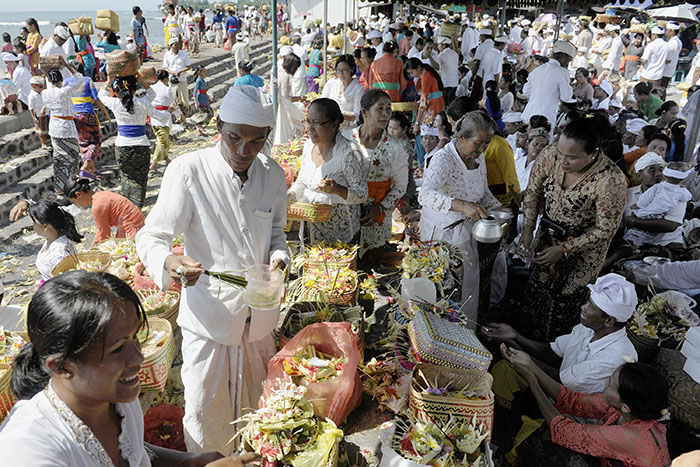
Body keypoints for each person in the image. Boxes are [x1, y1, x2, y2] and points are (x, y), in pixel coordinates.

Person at [136, 85, 289, 456]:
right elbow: (152, 235)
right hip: (209, 321)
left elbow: (276, 232)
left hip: (259, 321)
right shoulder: (188, 170)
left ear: (267, 137)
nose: (243, 151)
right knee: (206, 415)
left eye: (255, 142)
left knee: (260, 414)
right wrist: (171, 262)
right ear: (218, 125)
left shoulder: (272, 174)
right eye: (234, 137)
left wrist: (280, 260)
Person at [0, 270, 258, 466]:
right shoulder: (28, 451)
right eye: (118, 349)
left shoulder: (117, 401)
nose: (138, 357)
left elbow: (134, 451)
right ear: (62, 367)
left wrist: (191, 461)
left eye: (135, 337)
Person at [518, 115, 627, 341]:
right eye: (560, 153)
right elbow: (532, 191)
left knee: (565, 303)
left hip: (583, 254)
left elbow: (605, 230)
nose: (562, 161)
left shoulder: (610, 180)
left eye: (572, 157)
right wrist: (528, 229)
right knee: (536, 289)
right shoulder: (550, 155)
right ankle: (524, 339)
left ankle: (553, 351)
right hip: (548, 236)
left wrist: (564, 250)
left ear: (594, 153)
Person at [500, 351, 670, 466]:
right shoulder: (625, 409)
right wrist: (532, 366)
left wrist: (531, 379)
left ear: (625, 406)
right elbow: (573, 400)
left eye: (610, 385)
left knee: (550, 444)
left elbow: (564, 430)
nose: (605, 385)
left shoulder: (632, 437)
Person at [487, 272, 638, 401]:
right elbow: (551, 352)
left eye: (591, 306)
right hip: (559, 391)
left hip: (578, 416)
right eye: (588, 302)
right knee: (503, 370)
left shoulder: (615, 358)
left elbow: (560, 384)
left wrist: (524, 359)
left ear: (609, 320)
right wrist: (515, 336)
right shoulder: (589, 329)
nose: (583, 307)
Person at [419, 110, 504, 321]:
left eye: (486, 144)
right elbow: (426, 195)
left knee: (467, 288)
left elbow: (482, 192)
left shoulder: (479, 157)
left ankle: (464, 340)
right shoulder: (444, 159)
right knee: (443, 293)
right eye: (477, 143)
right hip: (442, 236)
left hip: (467, 233)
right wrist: (461, 206)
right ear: (461, 138)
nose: (482, 149)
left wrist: (498, 209)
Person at [288, 98, 367, 243]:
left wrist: (338, 190)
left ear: (334, 124)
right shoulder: (307, 147)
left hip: (340, 234)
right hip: (309, 230)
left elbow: (362, 194)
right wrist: (290, 196)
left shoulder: (349, 152)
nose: (310, 128)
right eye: (308, 121)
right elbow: (302, 182)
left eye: (316, 123)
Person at [350, 89, 408, 261]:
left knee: (371, 264)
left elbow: (400, 185)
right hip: (349, 212)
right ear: (365, 112)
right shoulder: (347, 139)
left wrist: (380, 208)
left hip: (377, 216)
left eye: (388, 109)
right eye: (380, 109)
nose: (385, 114)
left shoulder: (394, 147)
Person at [98, 74, 170, 207]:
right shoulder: (142, 102)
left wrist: (109, 80)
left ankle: (128, 206)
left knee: (126, 177)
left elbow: (101, 96)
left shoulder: (115, 103)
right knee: (140, 178)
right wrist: (141, 79)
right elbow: (159, 111)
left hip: (122, 146)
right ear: (135, 87)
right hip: (141, 146)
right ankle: (137, 206)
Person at [622, 154, 687, 248]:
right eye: (652, 170)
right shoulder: (629, 194)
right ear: (639, 176)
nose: (658, 174)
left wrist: (634, 221)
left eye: (661, 170)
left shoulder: (676, 193)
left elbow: (671, 225)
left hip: (667, 244)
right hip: (634, 244)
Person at [41, 64, 86, 194]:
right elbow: (79, 78)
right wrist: (66, 65)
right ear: (62, 79)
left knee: (59, 158)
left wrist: (46, 72)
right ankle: (73, 185)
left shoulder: (45, 93)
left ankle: (60, 187)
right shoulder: (65, 91)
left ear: (49, 81)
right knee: (72, 158)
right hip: (66, 126)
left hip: (54, 125)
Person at [65, 62, 110, 180]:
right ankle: (85, 166)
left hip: (74, 114)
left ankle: (92, 169)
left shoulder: (67, 82)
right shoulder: (87, 80)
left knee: (83, 141)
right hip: (87, 113)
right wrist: (105, 112)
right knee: (95, 140)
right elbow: (96, 99)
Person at [22, 200, 82, 282]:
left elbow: (65, 283)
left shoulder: (60, 254)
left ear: (45, 226)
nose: (33, 226)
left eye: (34, 222)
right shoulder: (52, 240)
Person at [521, 40, 575, 126]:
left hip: (528, 114)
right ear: (564, 57)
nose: (568, 62)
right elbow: (566, 97)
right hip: (544, 118)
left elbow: (526, 91)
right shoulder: (563, 72)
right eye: (569, 59)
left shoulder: (538, 69)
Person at [322, 54, 364, 127]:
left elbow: (358, 114)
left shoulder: (358, 88)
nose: (341, 74)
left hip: (348, 128)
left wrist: (341, 116)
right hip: (330, 125)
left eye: (345, 71)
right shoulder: (331, 83)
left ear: (352, 69)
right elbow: (322, 103)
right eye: (339, 70)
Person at [404, 57, 444, 130]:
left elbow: (423, 103)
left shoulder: (426, 77)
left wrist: (417, 123)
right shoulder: (425, 74)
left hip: (434, 105)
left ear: (418, 68)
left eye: (411, 72)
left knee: (428, 130)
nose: (411, 75)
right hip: (436, 102)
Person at [150, 69, 176, 173]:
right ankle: (154, 164)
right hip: (164, 116)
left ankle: (166, 158)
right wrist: (180, 115)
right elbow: (173, 104)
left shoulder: (151, 88)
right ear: (166, 79)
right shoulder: (167, 89)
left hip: (154, 115)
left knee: (163, 138)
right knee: (162, 140)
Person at [162, 37, 191, 115]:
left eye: (178, 44)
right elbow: (165, 67)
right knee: (173, 97)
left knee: (184, 97)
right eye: (175, 45)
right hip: (172, 78)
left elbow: (188, 66)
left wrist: (180, 71)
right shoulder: (167, 54)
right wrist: (172, 72)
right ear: (171, 46)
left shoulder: (183, 54)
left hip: (182, 78)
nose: (177, 46)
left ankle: (185, 113)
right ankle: (175, 114)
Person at [515, 126, 548, 191]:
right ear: (527, 144)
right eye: (535, 144)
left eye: (542, 146)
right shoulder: (518, 162)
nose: (538, 148)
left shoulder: (543, 168)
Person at [434, 36, 459, 104]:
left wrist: (429, 57)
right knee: (451, 103)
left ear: (443, 44)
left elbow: (437, 67)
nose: (438, 46)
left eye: (439, 44)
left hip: (447, 84)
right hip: (455, 83)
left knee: (446, 104)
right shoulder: (454, 53)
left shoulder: (443, 54)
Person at [28, 75, 48, 147]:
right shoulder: (32, 96)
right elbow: (31, 108)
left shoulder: (43, 93)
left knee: (47, 127)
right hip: (38, 114)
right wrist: (34, 117)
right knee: (41, 130)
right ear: (34, 86)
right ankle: (43, 143)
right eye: (40, 87)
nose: (42, 88)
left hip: (46, 112)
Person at [192, 65, 212, 137]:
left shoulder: (202, 80)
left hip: (204, 99)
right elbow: (195, 92)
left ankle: (200, 127)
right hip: (200, 100)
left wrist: (207, 96)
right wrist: (196, 102)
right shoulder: (199, 80)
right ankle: (199, 126)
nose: (205, 73)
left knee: (210, 113)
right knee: (206, 114)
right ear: (200, 73)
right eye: (204, 71)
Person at [661, 22, 682, 90]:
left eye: (667, 30)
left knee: (661, 90)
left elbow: (668, 59)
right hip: (669, 70)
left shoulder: (673, 43)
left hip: (666, 70)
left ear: (672, 32)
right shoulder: (677, 41)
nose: (665, 32)